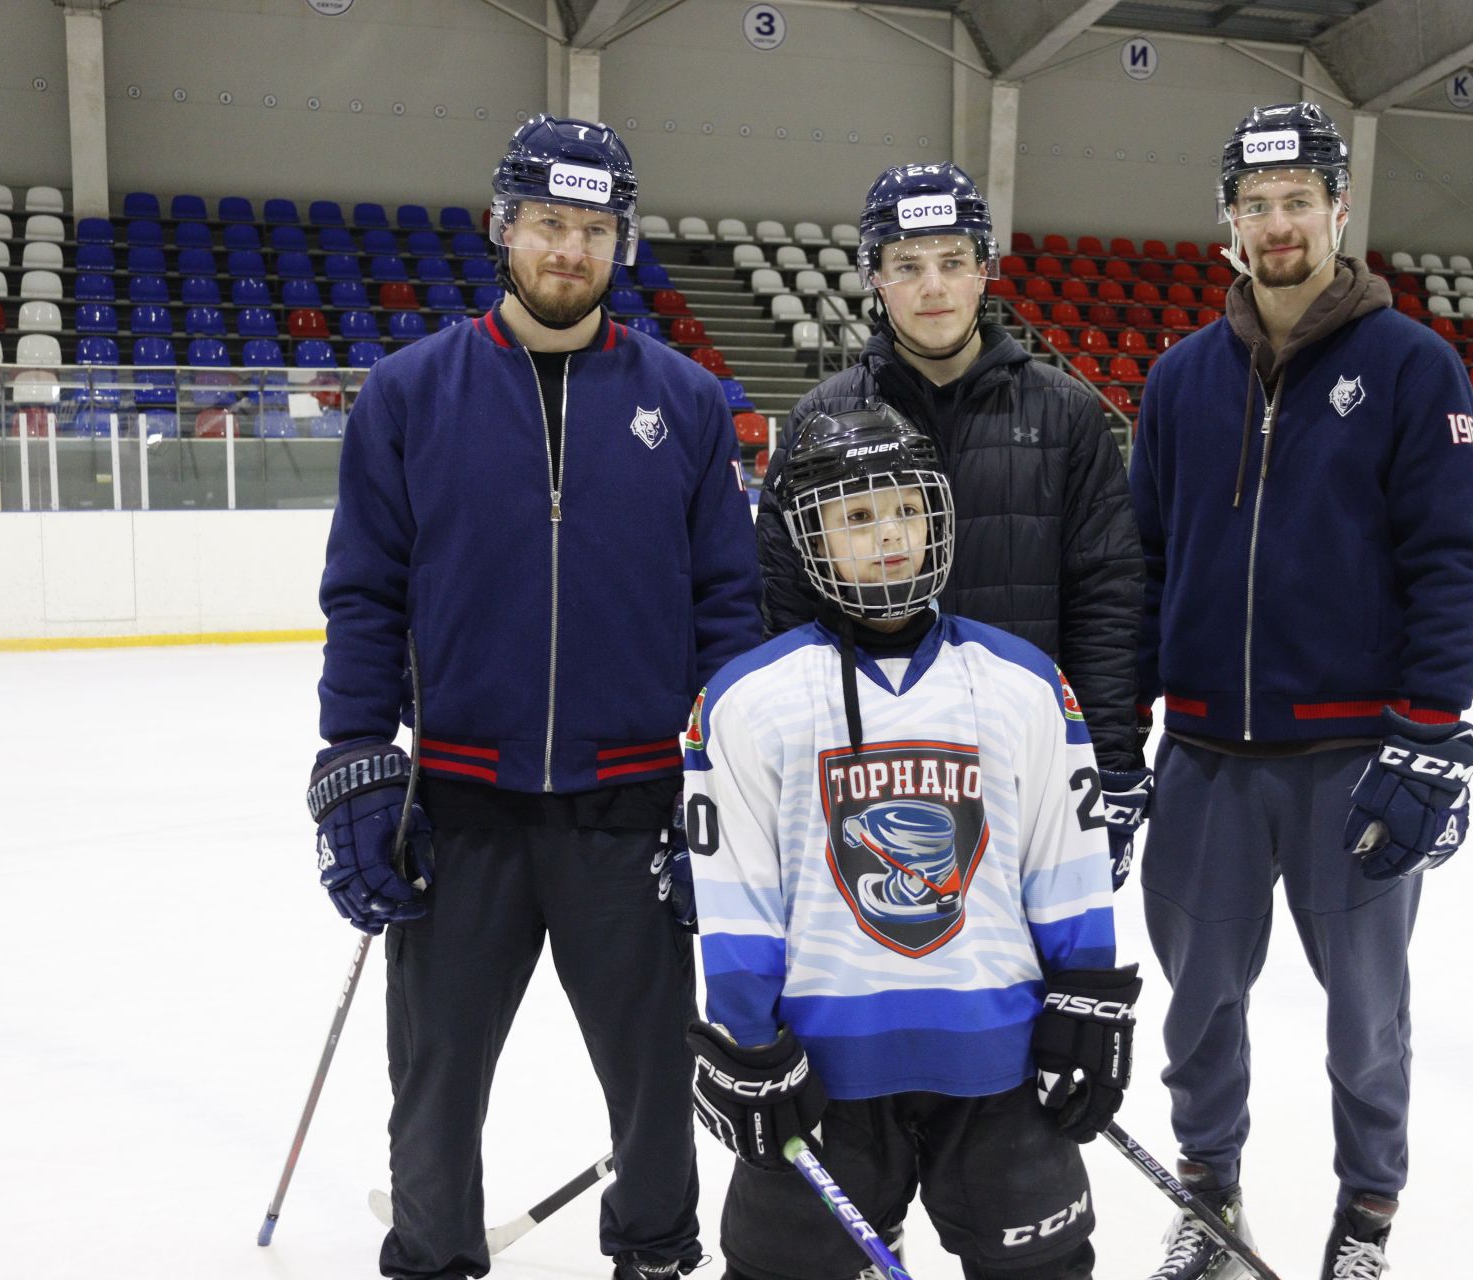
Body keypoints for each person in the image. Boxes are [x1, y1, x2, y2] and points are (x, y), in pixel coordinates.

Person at [309, 113, 762, 1280]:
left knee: (656, 1077)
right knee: (437, 1073)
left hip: (631, 809)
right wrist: (354, 755)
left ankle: (654, 1254)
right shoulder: (410, 394)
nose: (571, 250)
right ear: (503, 227)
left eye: (595, 228)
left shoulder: (689, 404)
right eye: (550, 224)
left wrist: (722, 782)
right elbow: (364, 593)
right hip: (457, 807)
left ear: (622, 241)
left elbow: (727, 609)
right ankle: (434, 1253)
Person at [1127, 103, 1473, 1280]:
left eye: (1299, 201)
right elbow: (1140, 568)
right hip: (1206, 762)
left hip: (1354, 766)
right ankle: (1210, 1198)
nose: (1277, 223)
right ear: (1227, 220)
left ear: (1339, 209)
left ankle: (1365, 1220)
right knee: (1198, 1012)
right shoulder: (1182, 379)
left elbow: (1452, 562)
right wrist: (1114, 737)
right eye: (1256, 203)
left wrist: (1427, 737)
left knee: (1365, 1022)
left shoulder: (1411, 366)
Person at [684, 405, 1140, 1280]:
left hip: (997, 1058)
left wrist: (1086, 998)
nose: (887, 536)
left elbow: (1066, 862)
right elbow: (738, 896)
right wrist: (747, 1042)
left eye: (904, 509)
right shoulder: (748, 700)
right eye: (855, 518)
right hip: (819, 1075)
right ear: (810, 536)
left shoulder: (1023, 681)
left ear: (939, 516)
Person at [754, 161, 1153, 891]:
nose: (932, 286)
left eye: (952, 261)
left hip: (1024, 763)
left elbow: (1107, 595)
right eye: (907, 265)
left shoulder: (1063, 411)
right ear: (874, 276)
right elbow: (785, 600)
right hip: (869, 765)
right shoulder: (823, 416)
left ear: (984, 271)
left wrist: (1110, 759)